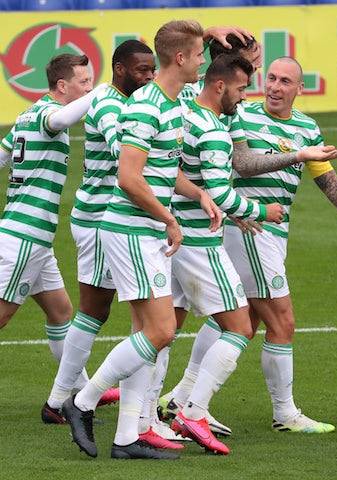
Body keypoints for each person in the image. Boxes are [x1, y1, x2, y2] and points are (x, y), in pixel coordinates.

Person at [161, 58, 337, 434]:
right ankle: (282, 413)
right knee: (278, 321)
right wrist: (261, 207)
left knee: (238, 317)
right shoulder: (238, 115)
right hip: (250, 230)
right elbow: (244, 166)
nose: (275, 87)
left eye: (286, 81)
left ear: (300, 88)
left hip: (258, 231)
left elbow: (326, 179)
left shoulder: (306, 126)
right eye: (271, 79)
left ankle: (180, 398)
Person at [62, 20, 221, 460]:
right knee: (162, 330)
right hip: (132, 230)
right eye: (198, 54)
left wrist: (199, 193)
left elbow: (163, 169)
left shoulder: (169, 104)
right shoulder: (146, 106)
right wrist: (170, 218)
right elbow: (129, 177)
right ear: (181, 58)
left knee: (144, 331)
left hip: (143, 230)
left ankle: (127, 436)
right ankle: (81, 402)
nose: (203, 62)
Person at [169, 54, 285, 454]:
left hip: (175, 232)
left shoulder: (185, 113)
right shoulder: (214, 130)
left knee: (159, 330)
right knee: (239, 327)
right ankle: (192, 411)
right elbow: (218, 193)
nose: (244, 96)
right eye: (240, 88)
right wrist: (261, 212)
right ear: (220, 86)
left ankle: (149, 411)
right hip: (201, 242)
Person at [41, 40, 156, 426]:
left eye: (152, 70)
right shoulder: (108, 102)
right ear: (120, 69)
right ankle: (68, 402)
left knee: (100, 311)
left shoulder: (133, 99)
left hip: (106, 214)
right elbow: (120, 144)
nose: (149, 77)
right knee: (102, 311)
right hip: (99, 218)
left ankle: (60, 401)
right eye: (142, 71)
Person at [0, 54, 107, 392]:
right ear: (62, 86)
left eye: (91, 81)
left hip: (33, 239)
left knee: (61, 312)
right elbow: (59, 120)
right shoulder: (47, 114)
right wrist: (103, 92)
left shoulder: (26, 114)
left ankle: (76, 394)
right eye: (83, 82)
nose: (88, 87)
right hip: (25, 236)